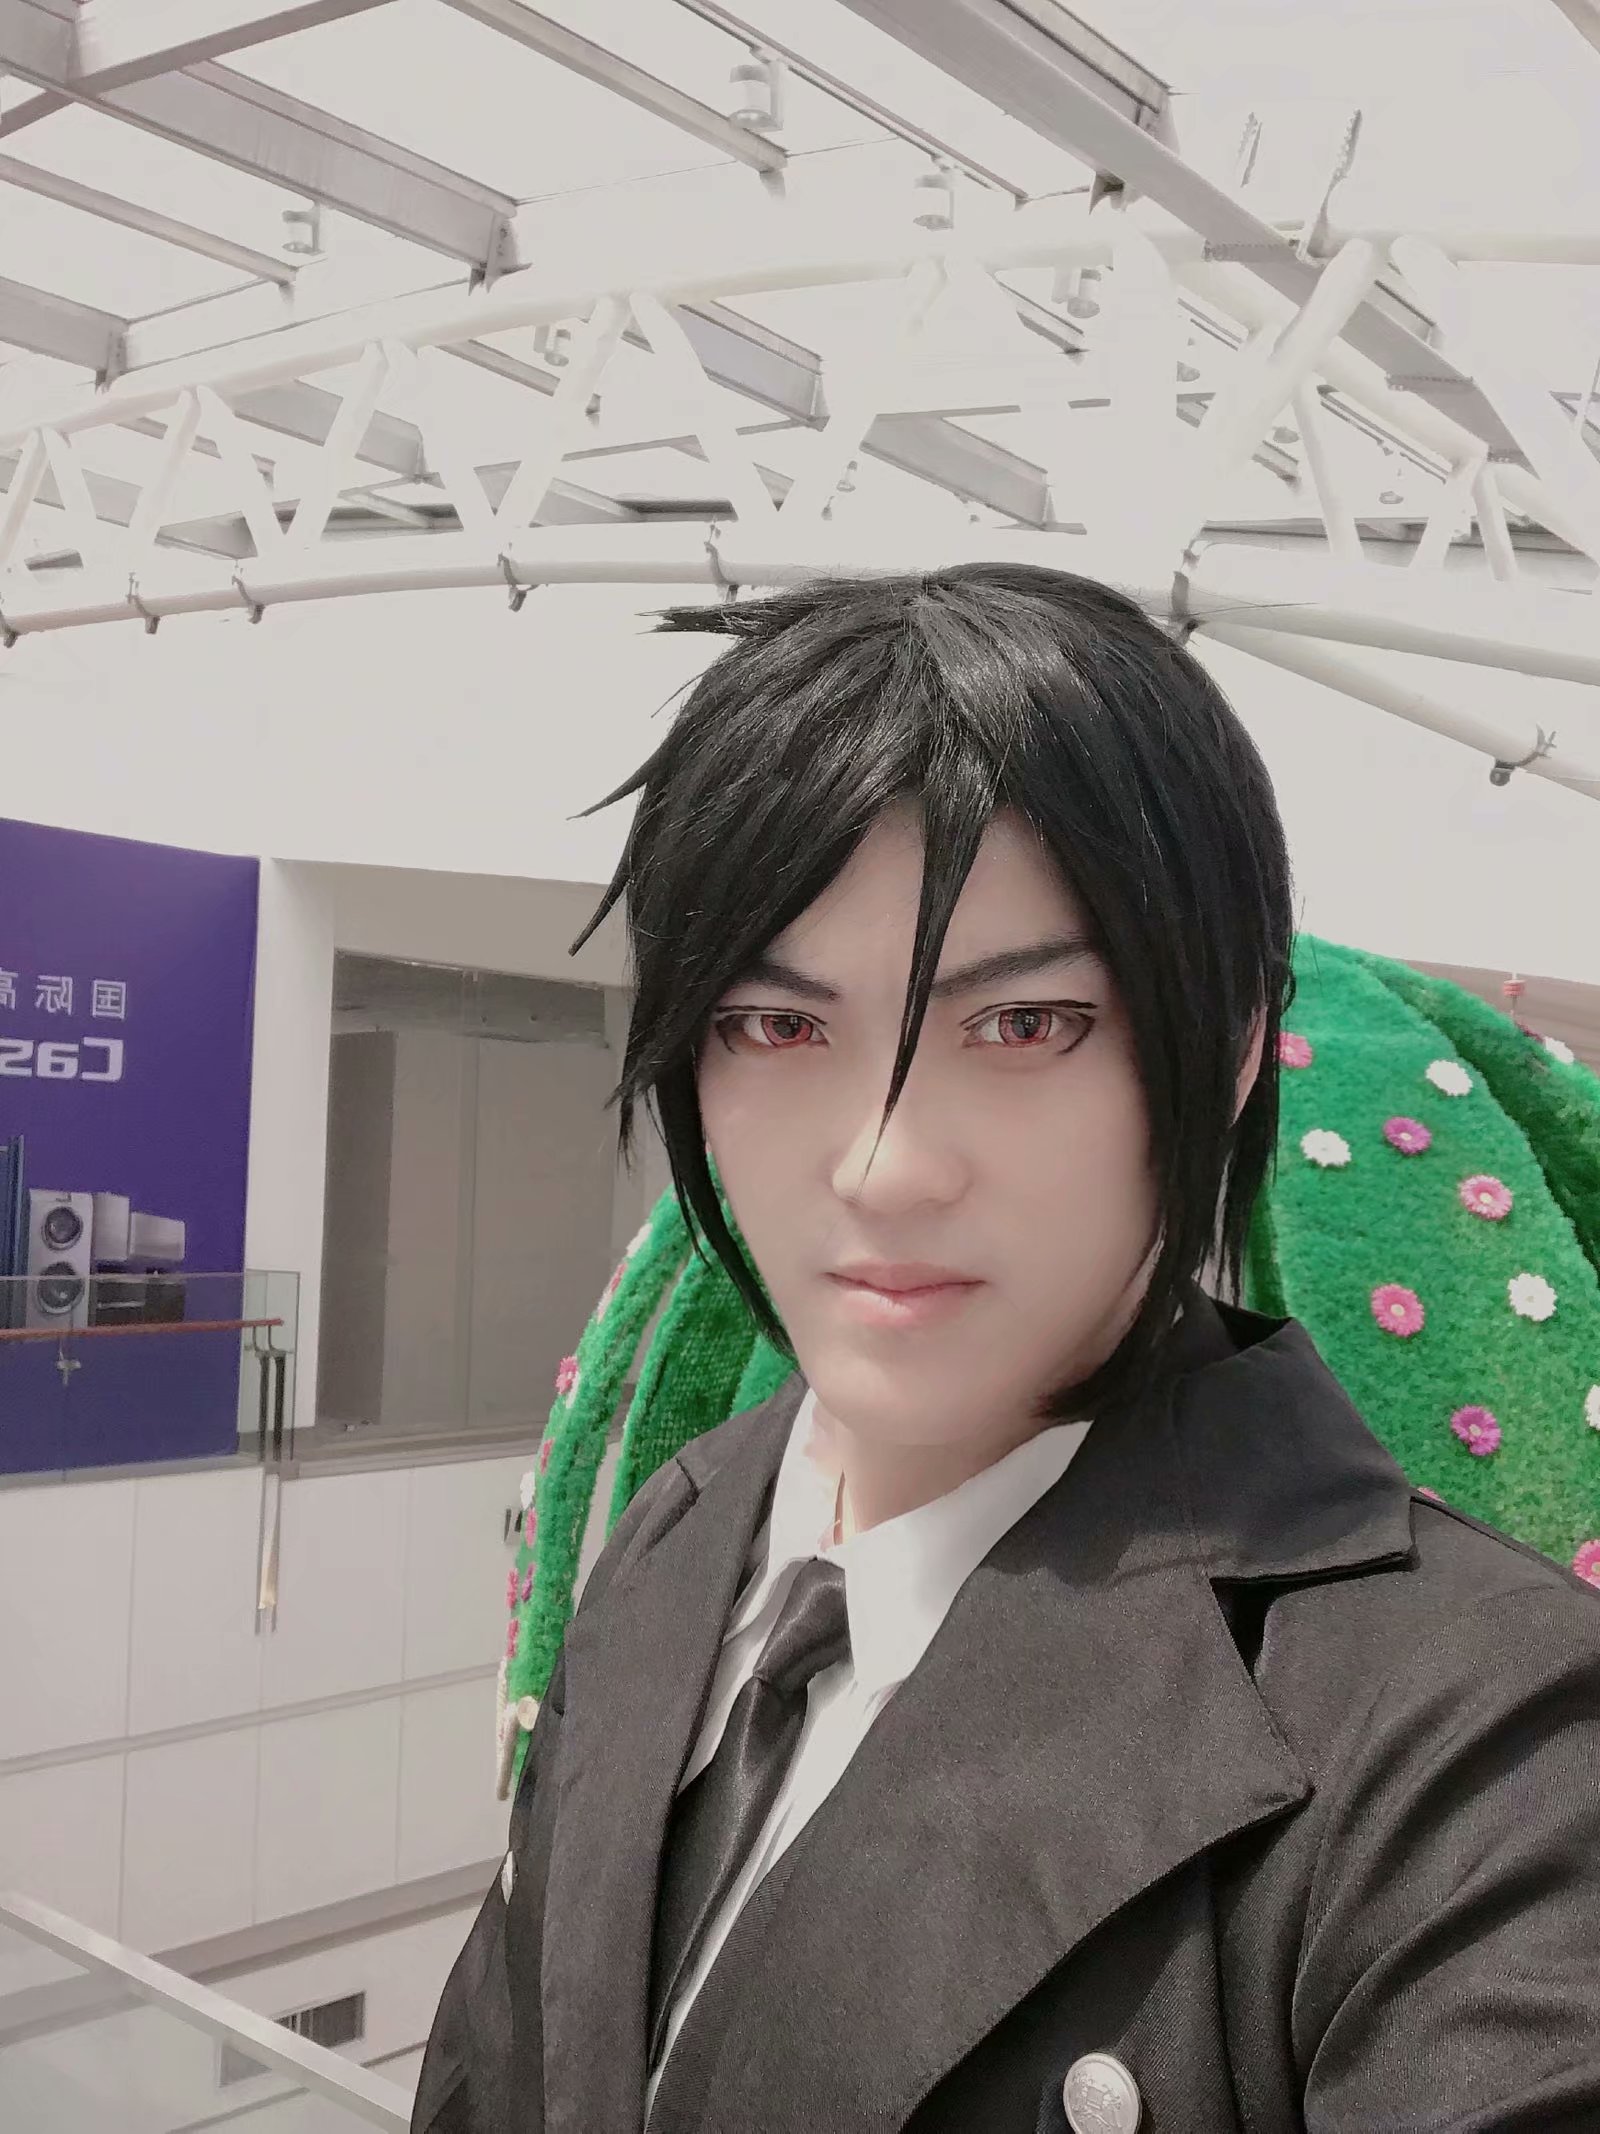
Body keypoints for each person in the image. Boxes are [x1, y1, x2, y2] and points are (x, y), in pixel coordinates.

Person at [412, 565, 1600, 2134]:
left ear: (1235, 1044)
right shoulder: (678, 1541)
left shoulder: (1476, 1740)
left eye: (1024, 1024)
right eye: (779, 1024)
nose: (885, 1162)